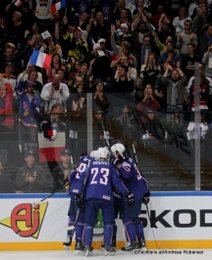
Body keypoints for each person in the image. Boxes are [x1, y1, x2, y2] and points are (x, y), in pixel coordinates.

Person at [75, 146, 134, 256]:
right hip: (106, 197)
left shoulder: (90, 165)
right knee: (108, 223)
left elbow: (81, 180)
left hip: (91, 197)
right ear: (106, 156)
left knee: (89, 224)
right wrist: (127, 193)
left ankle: (87, 247)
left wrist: (78, 194)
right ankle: (107, 247)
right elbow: (117, 183)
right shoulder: (111, 167)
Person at [110, 142, 150, 251]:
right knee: (135, 219)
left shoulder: (125, 163)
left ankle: (132, 242)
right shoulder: (130, 160)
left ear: (118, 153)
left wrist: (118, 165)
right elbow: (141, 177)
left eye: (114, 153)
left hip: (133, 194)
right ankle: (142, 242)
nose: (113, 155)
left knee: (127, 218)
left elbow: (126, 175)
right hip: (139, 192)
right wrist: (146, 192)